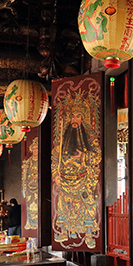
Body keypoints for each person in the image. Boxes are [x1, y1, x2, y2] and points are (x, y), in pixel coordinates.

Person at [52, 97, 102, 249]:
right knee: (63, 204)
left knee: (87, 203)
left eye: (78, 116)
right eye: (73, 116)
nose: (75, 119)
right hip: (66, 177)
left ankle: (88, 233)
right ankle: (66, 232)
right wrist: (56, 174)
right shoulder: (64, 136)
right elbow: (55, 157)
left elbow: (97, 154)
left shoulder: (90, 135)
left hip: (83, 177)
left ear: (83, 118)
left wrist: (83, 157)